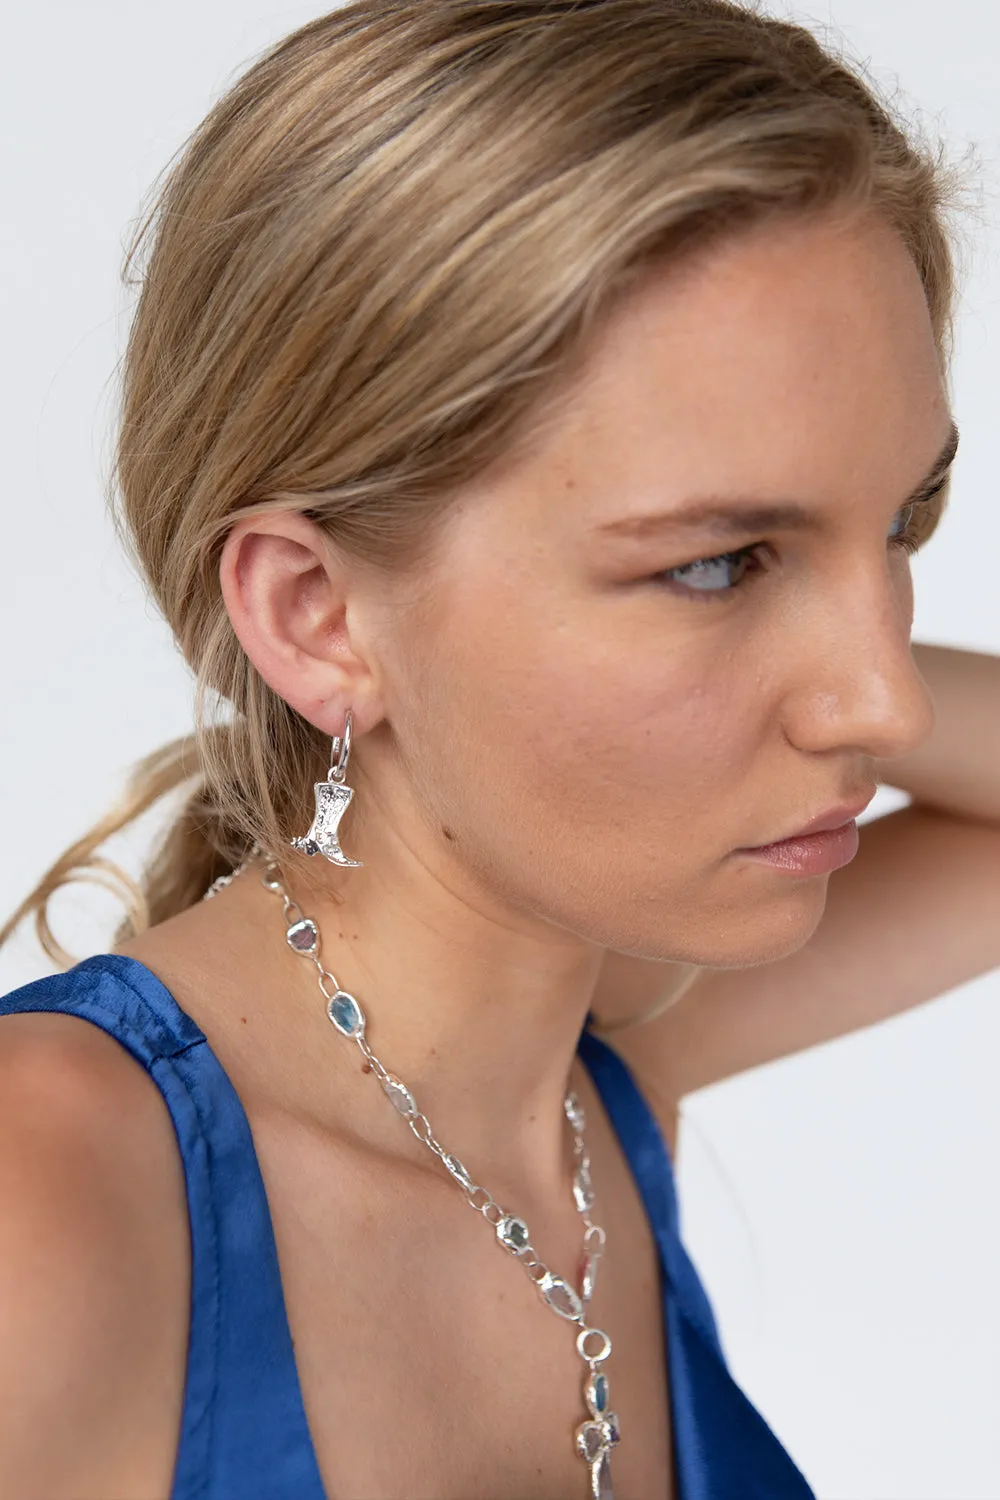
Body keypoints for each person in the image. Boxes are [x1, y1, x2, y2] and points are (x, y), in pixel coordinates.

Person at [2, 1, 999, 1496]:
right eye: (722, 560)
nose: (885, 706)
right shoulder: (48, 1208)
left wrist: (777, 584)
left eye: (903, 521)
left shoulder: (598, 1077)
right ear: (318, 611)